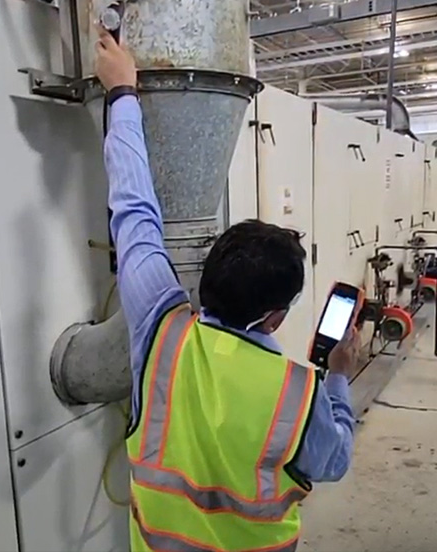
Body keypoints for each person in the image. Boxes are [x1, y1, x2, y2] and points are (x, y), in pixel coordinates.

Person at [95, 27, 360, 552]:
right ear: (275, 316)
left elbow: (134, 210)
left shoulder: (160, 329)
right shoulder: (297, 393)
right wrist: (339, 381)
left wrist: (121, 92)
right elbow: (335, 460)